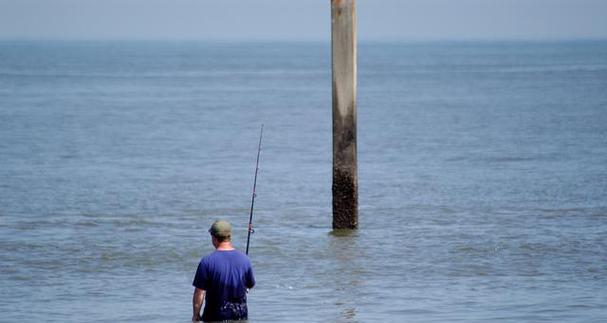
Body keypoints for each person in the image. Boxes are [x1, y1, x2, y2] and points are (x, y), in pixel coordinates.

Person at [192, 220, 255, 322]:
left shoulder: (206, 262)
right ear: (229, 236)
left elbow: (199, 292)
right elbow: (250, 284)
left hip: (214, 318)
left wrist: (196, 315)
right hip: (240, 316)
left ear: (214, 237)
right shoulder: (245, 260)